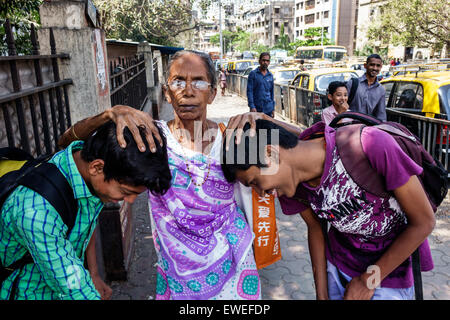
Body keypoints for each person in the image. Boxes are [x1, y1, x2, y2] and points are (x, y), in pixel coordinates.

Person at [58, 50, 261, 300]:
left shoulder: (234, 137)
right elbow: (64, 143)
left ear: (213, 92)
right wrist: (108, 114)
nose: (187, 91)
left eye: (198, 81)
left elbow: (310, 150)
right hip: (177, 271)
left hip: (233, 265)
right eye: (178, 82)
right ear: (167, 92)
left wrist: (263, 121)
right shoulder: (150, 138)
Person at [221, 118, 435, 300]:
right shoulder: (291, 186)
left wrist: (368, 280)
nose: (261, 193)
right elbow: (315, 229)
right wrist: (322, 295)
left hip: (389, 272)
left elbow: (423, 222)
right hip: (339, 265)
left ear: (271, 155)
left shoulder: (370, 145)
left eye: (255, 182)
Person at [0, 121, 171, 300]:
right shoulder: (36, 212)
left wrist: (94, 273)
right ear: (97, 167)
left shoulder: (83, 166)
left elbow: (85, 222)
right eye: (126, 192)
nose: (130, 201)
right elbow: (74, 288)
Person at [346, 54, 386, 121]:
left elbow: (381, 114)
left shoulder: (381, 90)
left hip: (367, 128)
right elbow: (341, 105)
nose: (375, 68)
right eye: (372, 65)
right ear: (365, 65)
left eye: (378, 66)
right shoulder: (353, 83)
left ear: (381, 67)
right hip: (349, 126)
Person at [247, 52, 275, 118]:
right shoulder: (253, 74)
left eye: (267, 61)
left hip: (268, 109)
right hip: (256, 108)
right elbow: (249, 91)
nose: (265, 62)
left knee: (267, 128)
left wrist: (273, 108)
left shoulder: (270, 75)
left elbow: (272, 93)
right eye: (263, 60)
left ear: (269, 62)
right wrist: (252, 106)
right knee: (257, 127)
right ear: (259, 61)